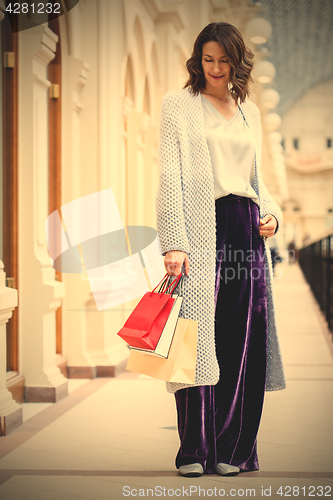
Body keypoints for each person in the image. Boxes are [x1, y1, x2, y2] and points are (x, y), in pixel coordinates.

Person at [156, 22, 286, 478]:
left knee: (240, 341)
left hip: (246, 233)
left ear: (236, 61)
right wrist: (173, 242)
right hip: (200, 228)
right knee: (193, 339)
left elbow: (257, 181)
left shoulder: (247, 111)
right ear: (198, 59)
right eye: (208, 59)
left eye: (224, 60)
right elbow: (169, 175)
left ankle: (233, 449)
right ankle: (194, 447)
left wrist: (271, 214)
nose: (215, 68)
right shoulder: (179, 105)